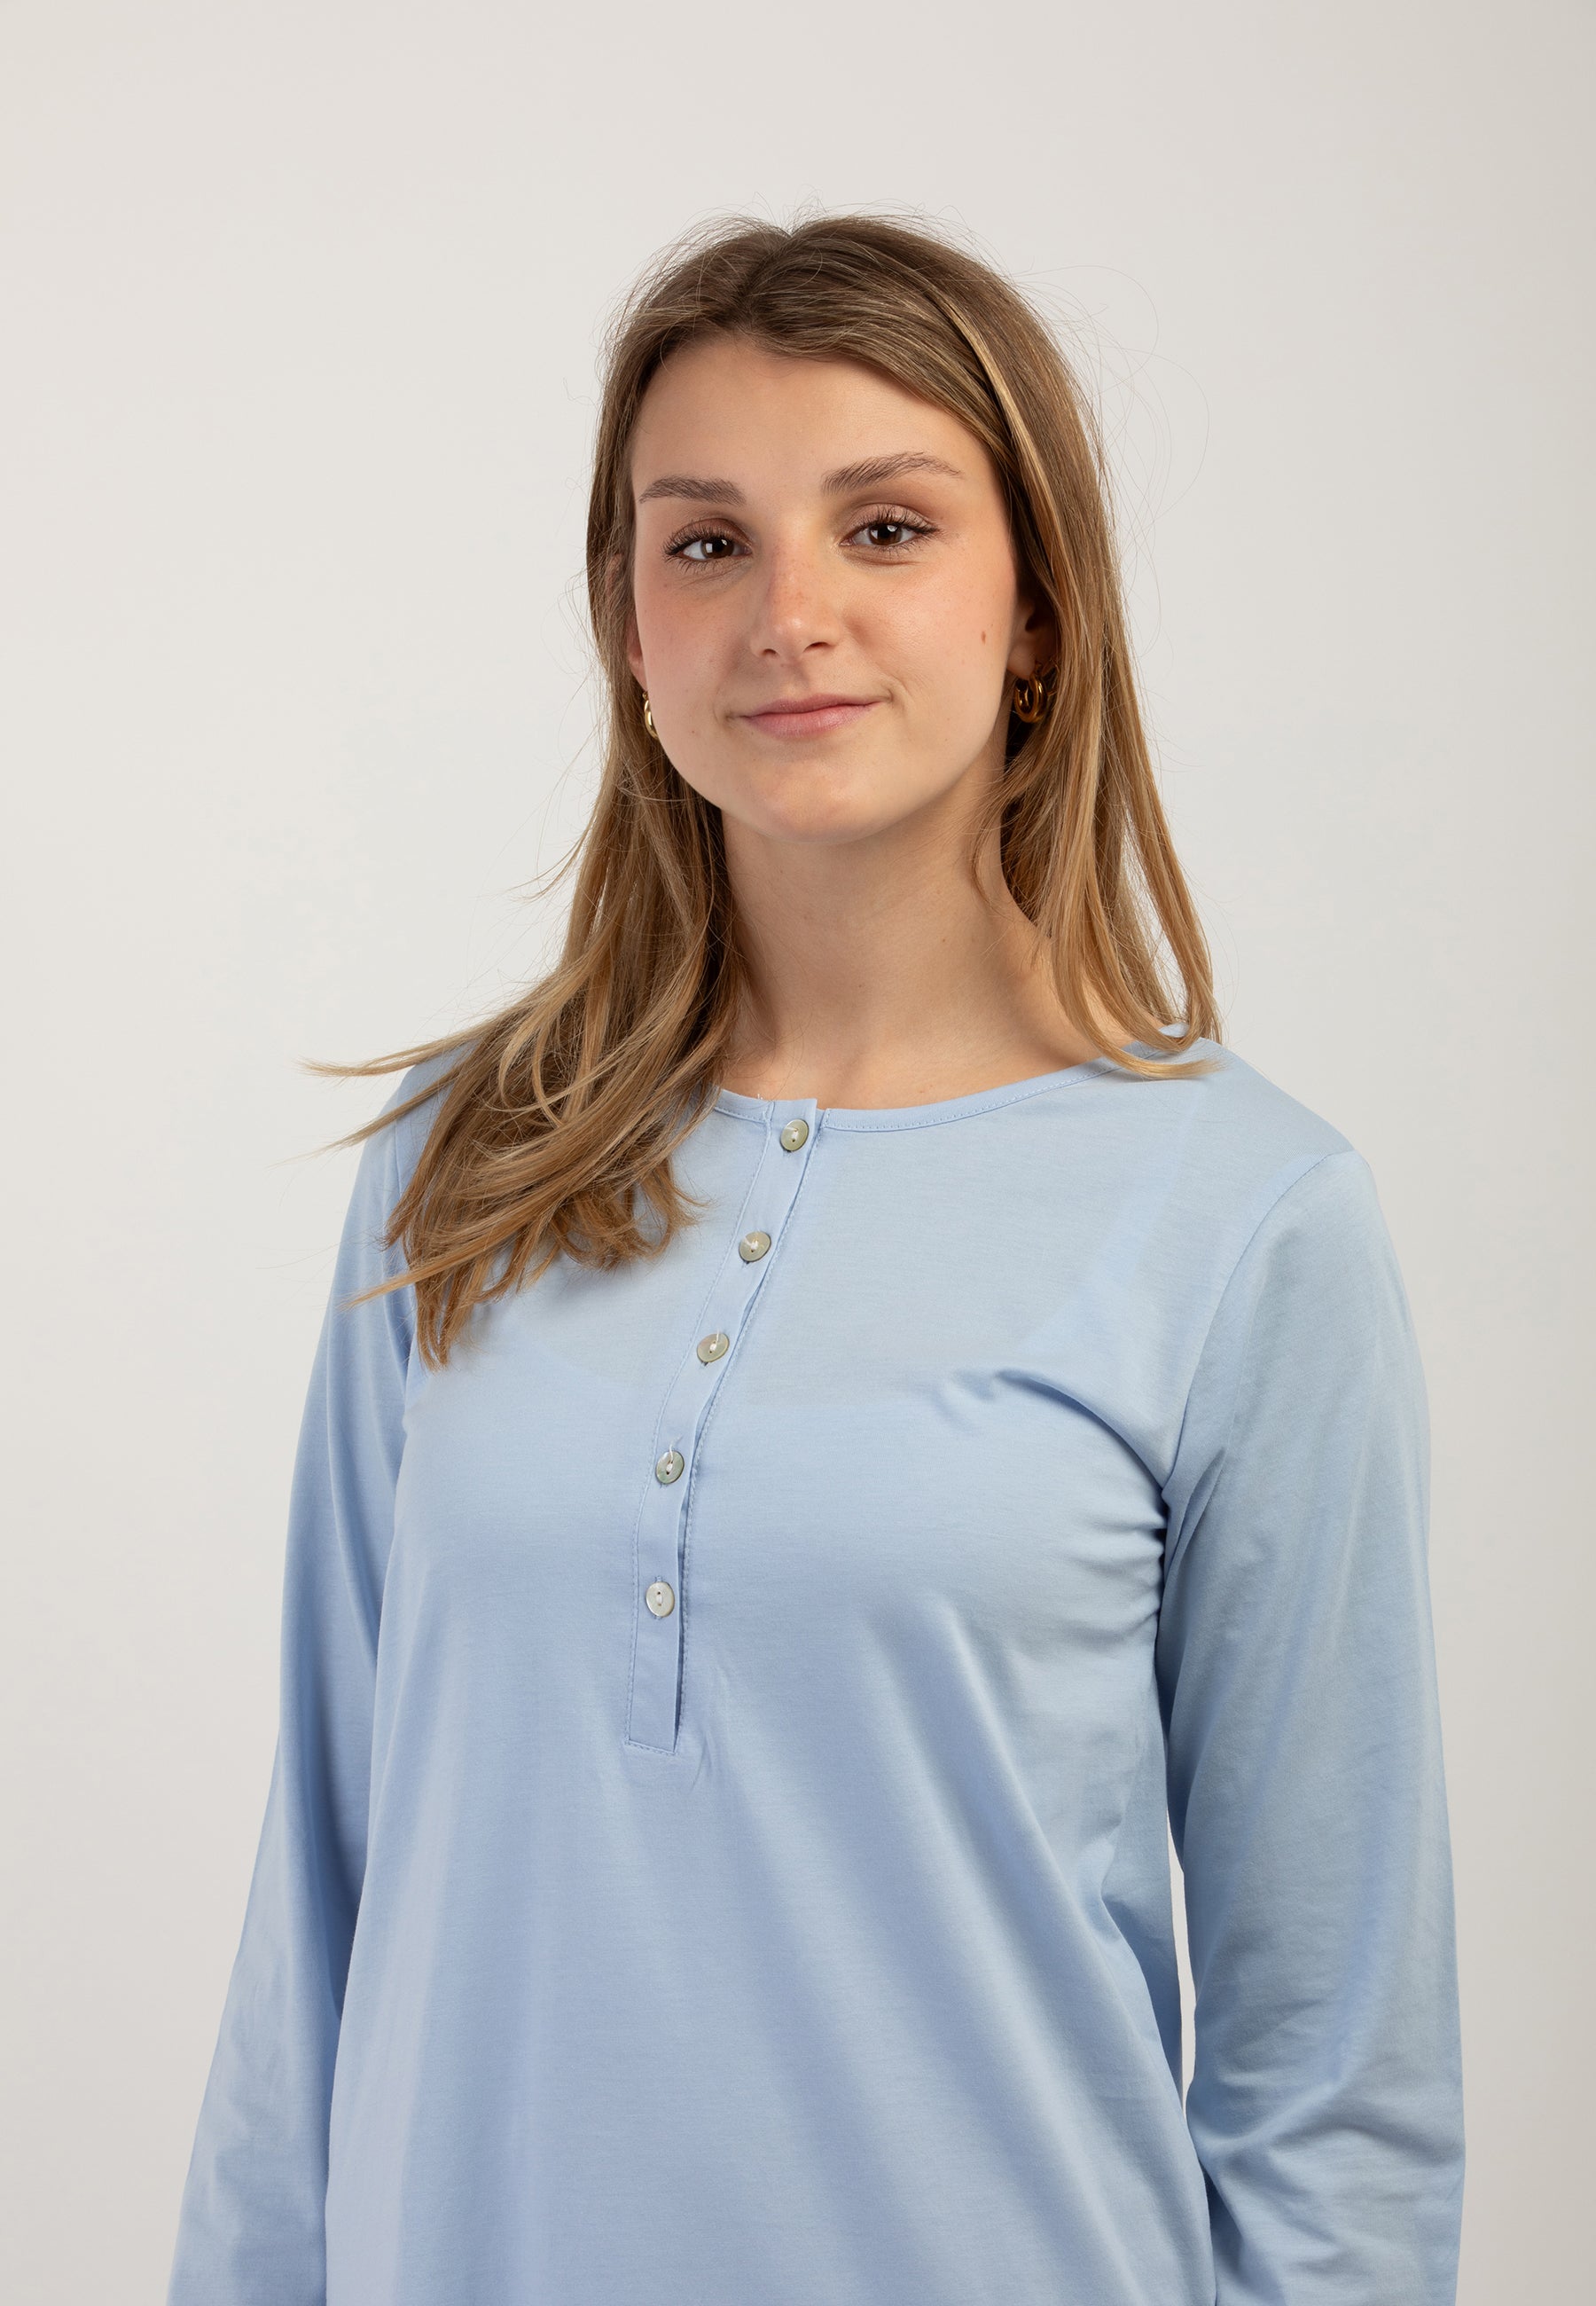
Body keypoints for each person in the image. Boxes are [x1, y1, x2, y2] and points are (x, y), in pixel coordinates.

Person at [165, 211, 1465, 2305]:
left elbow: (1336, 2075)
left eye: (885, 528)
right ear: (627, 622)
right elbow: (314, 1905)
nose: (791, 614)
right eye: (706, 541)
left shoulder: (1244, 1217)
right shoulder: (458, 1160)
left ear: (1035, 610)